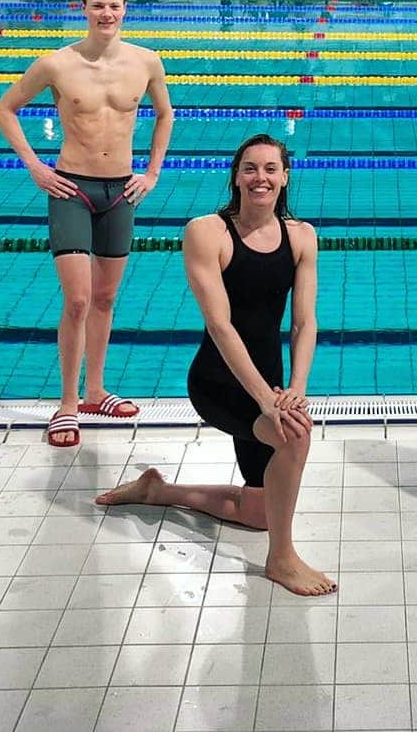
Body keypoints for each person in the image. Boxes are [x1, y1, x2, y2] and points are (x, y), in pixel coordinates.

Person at [96, 134, 336, 598]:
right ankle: (282, 559)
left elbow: (305, 323)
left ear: (285, 177)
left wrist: (295, 388)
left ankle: (157, 491)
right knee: (296, 436)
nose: (260, 178)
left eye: (270, 169)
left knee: (258, 514)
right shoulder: (207, 232)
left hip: (267, 382)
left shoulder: (301, 237)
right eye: (250, 168)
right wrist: (267, 401)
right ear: (236, 176)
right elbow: (221, 325)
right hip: (218, 381)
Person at [0, 0, 174, 447]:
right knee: (77, 300)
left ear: (125, 9)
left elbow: (164, 114)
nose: (106, 14)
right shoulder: (57, 63)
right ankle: (68, 406)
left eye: (114, 5)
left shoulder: (146, 62)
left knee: (105, 299)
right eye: (98, 6)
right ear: (84, 9)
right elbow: (5, 109)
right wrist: (35, 166)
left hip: (121, 191)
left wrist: (152, 173)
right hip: (70, 187)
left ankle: (96, 391)